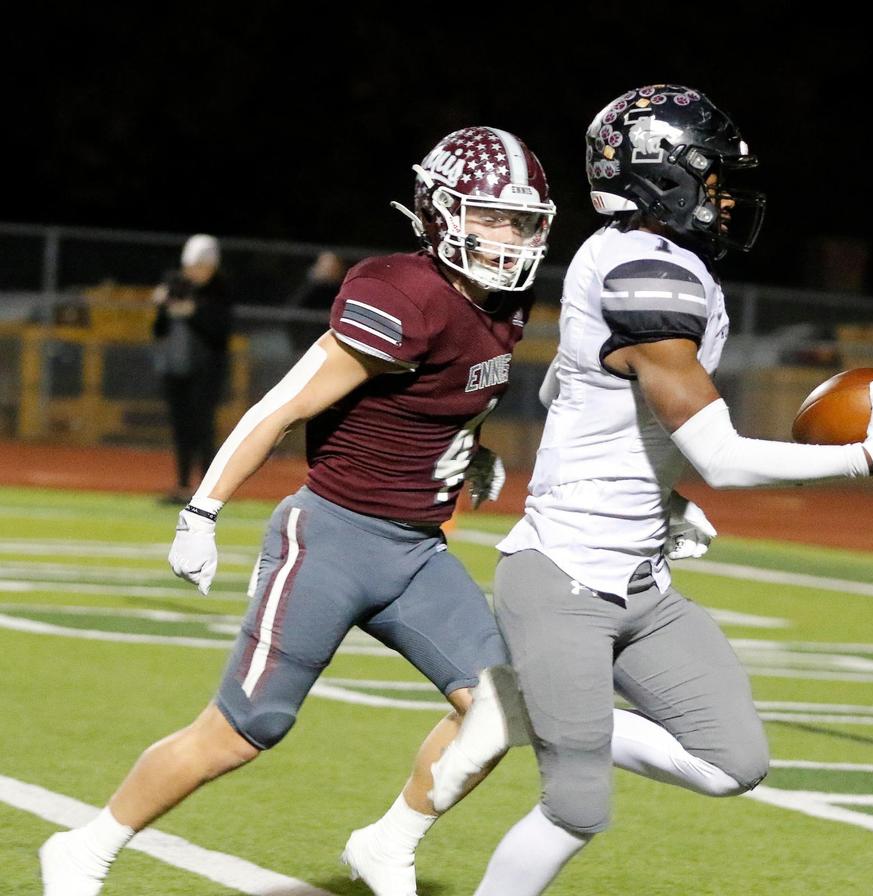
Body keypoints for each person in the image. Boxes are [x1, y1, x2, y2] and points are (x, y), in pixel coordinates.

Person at [38, 125, 558, 896]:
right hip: (335, 537)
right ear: (440, 212)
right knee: (244, 731)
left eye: (520, 221)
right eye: (488, 216)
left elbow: (442, 395)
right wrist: (203, 511)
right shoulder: (403, 294)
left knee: (499, 709)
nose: (507, 237)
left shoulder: (508, 301)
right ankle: (87, 846)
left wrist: (467, 451)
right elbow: (279, 408)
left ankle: (388, 842)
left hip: (415, 552)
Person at [462, 84, 873, 896]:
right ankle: (550, 720)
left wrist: (664, 495)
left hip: (641, 583)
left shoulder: (651, 262)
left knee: (733, 763)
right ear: (662, 178)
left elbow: (571, 402)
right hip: (564, 580)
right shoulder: (642, 272)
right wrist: (862, 458)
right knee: (576, 805)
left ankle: (529, 709)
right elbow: (719, 454)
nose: (724, 198)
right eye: (711, 178)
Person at [151, 233, 233, 503]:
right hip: (176, 368)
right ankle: (183, 483)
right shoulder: (178, 286)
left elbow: (220, 332)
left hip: (205, 370)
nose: (192, 273)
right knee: (181, 428)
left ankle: (208, 489)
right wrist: (163, 306)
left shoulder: (220, 291)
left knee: (203, 428)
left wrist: (192, 312)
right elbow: (159, 329)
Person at [284, 249, 348, 355]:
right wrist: (314, 281)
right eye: (325, 265)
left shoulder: (345, 288)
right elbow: (293, 311)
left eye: (333, 265)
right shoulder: (308, 288)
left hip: (337, 347)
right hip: (309, 344)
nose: (329, 269)